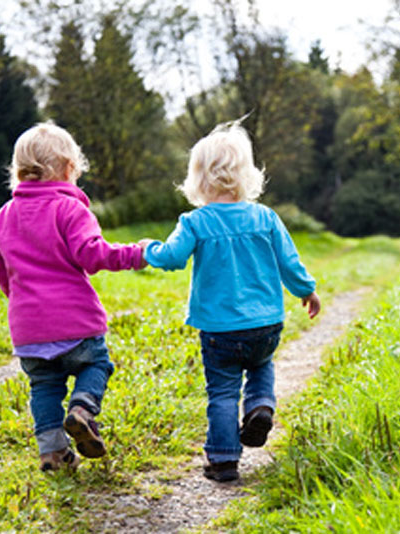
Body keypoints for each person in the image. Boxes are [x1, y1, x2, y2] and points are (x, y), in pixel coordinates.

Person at [139, 120, 321, 482]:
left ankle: (223, 460)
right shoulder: (266, 217)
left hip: (219, 329)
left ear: (198, 179)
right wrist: (307, 291)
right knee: (261, 365)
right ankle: (260, 407)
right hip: (266, 323)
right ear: (248, 175)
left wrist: (149, 249)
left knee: (222, 391)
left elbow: (173, 257)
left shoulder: (195, 222)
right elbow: (290, 263)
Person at [0, 122, 146, 472]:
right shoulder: (70, 209)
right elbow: (92, 254)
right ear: (69, 169)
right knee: (96, 364)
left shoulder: (2, 218)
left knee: (43, 386)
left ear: (17, 171)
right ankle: (83, 410)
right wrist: (136, 254)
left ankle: (53, 454)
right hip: (74, 321)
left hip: (28, 328)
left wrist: (18, 299)